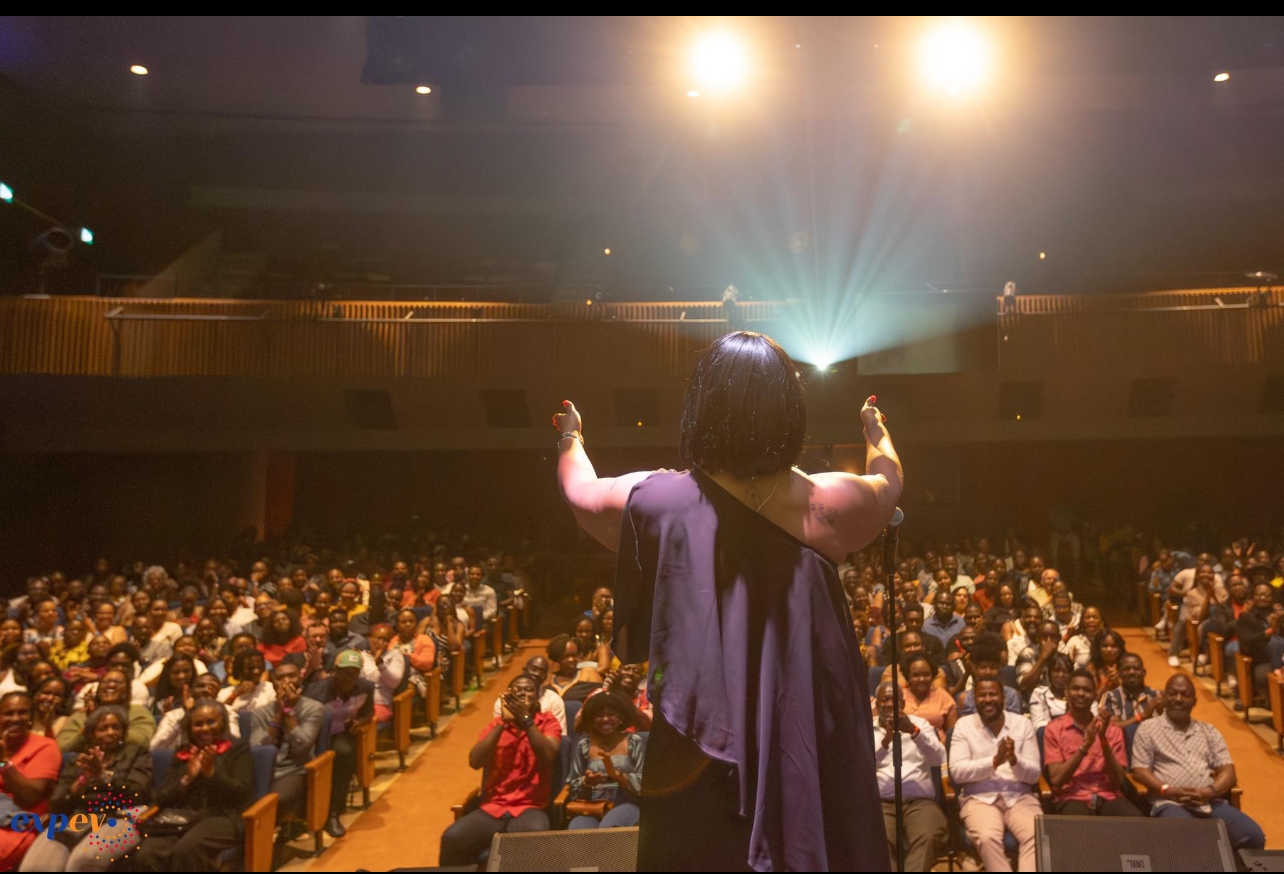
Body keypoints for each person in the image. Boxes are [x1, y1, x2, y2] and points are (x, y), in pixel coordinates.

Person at [568, 332, 901, 870]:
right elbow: (889, 483)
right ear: (788, 410)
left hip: (699, 743)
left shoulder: (658, 502)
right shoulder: (827, 503)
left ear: (704, 407)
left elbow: (580, 493)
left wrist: (570, 439)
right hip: (809, 731)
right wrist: (876, 432)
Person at [1131, 674, 1265, 850]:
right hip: (1170, 803)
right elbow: (1139, 770)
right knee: (1194, 839)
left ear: (1194, 701)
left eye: (1185, 695)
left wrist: (1208, 792)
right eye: (1173, 693)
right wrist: (1167, 790)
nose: (1178, 699)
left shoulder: (1209, 731)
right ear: (1163, 697)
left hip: (1210, 803)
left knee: (1253, 835)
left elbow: (1228, 771)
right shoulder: (1148, 729)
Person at [438, 675, 561, 866]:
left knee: (528, 840)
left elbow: (548, 755)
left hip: (530, 807)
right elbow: (475, 761)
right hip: (493, 807)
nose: (522, 693)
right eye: (517, 689)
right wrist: (504, 723)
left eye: (528, 689)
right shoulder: (496, 726)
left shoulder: (547, 722)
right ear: (507, 697)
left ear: (537, 697)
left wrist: (526, 721)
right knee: (452, 838)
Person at [19, 705, 153, 871]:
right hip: (79, 817)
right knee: (35, 867)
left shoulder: (137, 754)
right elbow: (56, 804)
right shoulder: (78, 761)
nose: (110, 732)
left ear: (124, 731)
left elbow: (138, 794)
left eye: (115, 727)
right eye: (102, 729)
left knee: (85, 860)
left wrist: (103, 776)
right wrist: (80, 782)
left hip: (123, 817)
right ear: (91, 734)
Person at [133, 701, 253, 871]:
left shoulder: (236, 749)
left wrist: (211, 773)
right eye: (198, 724)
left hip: (223, 817)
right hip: (183, 816)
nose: (204, 728)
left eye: (211, 722)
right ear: (190, 728)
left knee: (185, 850)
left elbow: (241, 793)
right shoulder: (183, 752)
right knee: (147, 852)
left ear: (223, 723)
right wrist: (187, 779)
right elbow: (163, 797)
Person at [949, 677, 1042, 872]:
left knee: (1038, 834)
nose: (988, 699)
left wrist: (1015, 761)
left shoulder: (1022, 724)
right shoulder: (963, 725)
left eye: (993, 694)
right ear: (974, 699)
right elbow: (958, 772)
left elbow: (1033, 775)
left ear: (1003, 698)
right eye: (982, 695)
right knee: (986, 836)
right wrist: (995, 761)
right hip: (979, 797)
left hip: (1019, 796)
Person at [872, 681, 948, 873]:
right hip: (882, 803)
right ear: (877, 703)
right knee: (877, 839)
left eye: (894, 700)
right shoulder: (867, 728)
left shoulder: (920, 724)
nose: (889, 704)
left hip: (920, 802)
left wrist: (914, 732)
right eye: (885, 700)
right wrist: (885, 742)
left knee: (928, 835)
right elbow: (861, 768)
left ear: (903, 703)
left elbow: (939, 758)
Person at [1042, 669, 1139, 817]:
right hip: (1072, 797)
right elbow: (1057, 781)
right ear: (1067, 693)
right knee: (1081, 829)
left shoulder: (1112, 731)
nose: (1081, 693)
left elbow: (1117, 782)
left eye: (1086, 690)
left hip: (1108, 796)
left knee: (1136, 822)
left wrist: (1103, 740)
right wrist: (1084, 747)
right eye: (1076, 688)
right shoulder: (1054, 729)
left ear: (1095, 695)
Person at [304, 649, 375, 838]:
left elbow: (369, 713)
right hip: (315, 737)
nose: (350, 677)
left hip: (341, 733)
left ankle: (334, 812)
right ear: (335, 670)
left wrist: (359, 722)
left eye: (355, 672)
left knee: (344, 753)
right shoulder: (316, 692)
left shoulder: (366, 687)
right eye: (345, 672)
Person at [248, 662, 323, 822]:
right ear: (273, 683)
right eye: (280, 678)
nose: (286, 681)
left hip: (293, 769)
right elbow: (258, 746)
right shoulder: (259, 713)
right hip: (261, 769)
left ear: (300, 680)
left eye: (291, 676)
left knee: (276, 800)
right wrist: (277, 716)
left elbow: (302, 747)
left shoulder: (314, 708)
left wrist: (289, 712)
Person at [566, 689, 645, 830]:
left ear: (621, 718)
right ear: (592, 719)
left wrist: (619, 776)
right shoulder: (583, 744)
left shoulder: (634, 741)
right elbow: (572, 784)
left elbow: (645, 781)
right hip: (591, 806)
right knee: (578, 830)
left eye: (611, 715)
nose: (605, 719)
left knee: (607, 831)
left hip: (626, 803)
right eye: (599, 715)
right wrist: (586, 782)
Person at [0, 691, 60, 869]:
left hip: (17, 825)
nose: (15, 718)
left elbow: (31, 796)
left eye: (22, 712)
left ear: (31, 718)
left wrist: (3, 763)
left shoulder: (45, 747)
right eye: (8, 713)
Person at [57, 668, 156, 752]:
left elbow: (141, 740)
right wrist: (89, 725)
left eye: (118, 682)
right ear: (98, 689)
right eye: (105, 682)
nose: (111, 685)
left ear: (127, 691)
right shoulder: (81, 715)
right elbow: (62, 747)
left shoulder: (138, 711)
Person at [153, 673, 241, 749]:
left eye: (212, 687)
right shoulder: (173, 716)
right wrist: (188, 715)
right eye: (201, 686)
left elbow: (234, 744)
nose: (206, 690)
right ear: (191, 691)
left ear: (218, 692)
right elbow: (155, 746)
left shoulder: (228, 712)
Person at [493, 655, 568, 735]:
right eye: (534, 669)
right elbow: (500, 737)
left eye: (542, 671)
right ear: (524, 670)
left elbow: (560, 736)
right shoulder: (503, 702)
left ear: (546, 676)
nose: (537, 674)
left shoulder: (554, 700)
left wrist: (525, 717)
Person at [956, 633, 1023, 717]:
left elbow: (1016, 724)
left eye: (993, 667)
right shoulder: (965, 698)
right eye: (983, 667)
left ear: (999, 669)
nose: (988, 672)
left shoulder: (1012, 695)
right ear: (975, 669)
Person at [901, 653, 957, 742]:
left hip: (936, 747)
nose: (922, 679)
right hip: (905, 747)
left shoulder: (943, 696)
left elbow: (953, 733)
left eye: (926, 674)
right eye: (916, 675)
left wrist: (939, 748)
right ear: (908, 677)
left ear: (932, 676)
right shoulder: (899, 696)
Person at [363, 623, 406, 724]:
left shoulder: (395, 655)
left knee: (364, 721)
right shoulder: (362, 654)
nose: (381, 643)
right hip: (358, 702)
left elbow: (394, 682)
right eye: (378, 638)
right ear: (369, 638)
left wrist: (380, 664)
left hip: (380, 703)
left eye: (386, 640)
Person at [216, 650, 276, 715]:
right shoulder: (224, 693)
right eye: (251, 668)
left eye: (259, 667)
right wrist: (234, 695)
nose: (256, 671)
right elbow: (219, 716)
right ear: (239, 669)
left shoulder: (271, 689)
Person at [1029, 653, 1079, 730]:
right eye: (1056, 671)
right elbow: (1038, 726)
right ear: (1049, 673)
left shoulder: (1079, 694)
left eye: (1065, 671)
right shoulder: (1039, 694)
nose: (1061, 675)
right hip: (1048, 737)